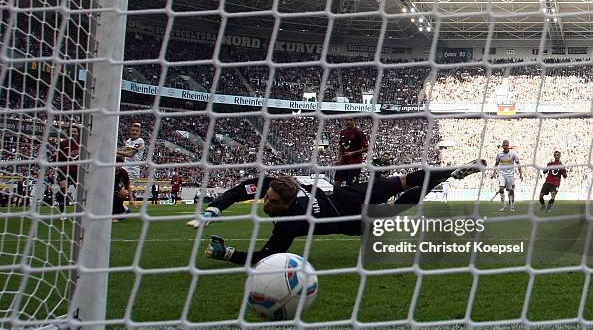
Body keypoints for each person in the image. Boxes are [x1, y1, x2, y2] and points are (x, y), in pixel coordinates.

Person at [187, 159, 486, 265]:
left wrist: (226, 254)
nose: (266, 201)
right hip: (354, 219)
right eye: (267, 196)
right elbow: (239, 191)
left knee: (405, 183)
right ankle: (448, 174)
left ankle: (449, 171)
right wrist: (214, 208)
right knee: (403, 201)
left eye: (272, 201)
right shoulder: (275, 185)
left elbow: (264, 257)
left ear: (286, 204)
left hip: (351, 201)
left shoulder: (289, 224)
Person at [53, 124, 81, 214]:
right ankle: (62, 211)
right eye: (71, 132)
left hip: (79, 170)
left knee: (82, 191)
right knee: (63, 187)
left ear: (78, 133)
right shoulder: (63, 143)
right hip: (65, 169)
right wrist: (69, 154)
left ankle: (84, 210)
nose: (73, 133)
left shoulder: (83, 144)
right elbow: (56, 157)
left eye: (75, 131)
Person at [117, 122, 146, 209]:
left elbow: (130, 154)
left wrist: (115, 151)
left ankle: (122, 208)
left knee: (122, 190)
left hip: (133, 169)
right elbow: (124, 154)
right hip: (124, 167)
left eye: (137, 131)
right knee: (117, 189)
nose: (134, 132)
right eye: (133, 130)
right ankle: (122, 207)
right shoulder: (129, 141)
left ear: (139, 133)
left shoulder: (140, 141)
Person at [334, 117, 368, 187]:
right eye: (347, 120)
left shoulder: (359, 132)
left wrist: (353, 153)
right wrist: (339, 158)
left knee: (351, 185)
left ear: (355, 121)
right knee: (337, 182)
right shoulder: (343, 132)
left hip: (354, 163)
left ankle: (349, 198)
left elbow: (367, 148)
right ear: (344, 121)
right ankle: (335, 197)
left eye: (351, 120)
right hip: (343, 163)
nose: (349, 122)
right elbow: (341, 146)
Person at [493, 140, 523, 212]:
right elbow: (496, 164)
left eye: (507, 145)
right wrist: (494, 172)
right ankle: (503, 205)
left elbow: (518, 163)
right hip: (502, 174)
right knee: (501, 189)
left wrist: (521, 174)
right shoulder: (499, 154)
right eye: (504, 145)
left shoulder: (513, 154)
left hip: (510, 175)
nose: (505, 146)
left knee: (511, 191)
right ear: (502, 146)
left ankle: (512, 205)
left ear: (508, 146)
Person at [113, 155, 131, 222]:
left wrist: (131, 199)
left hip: (117, 190)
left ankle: (120, 211)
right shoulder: (108, 171)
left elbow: (128, 185)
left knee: (124, 193)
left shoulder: (123, 172)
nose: (120, 166)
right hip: (107, 190)